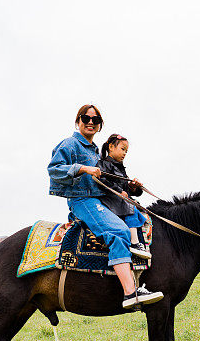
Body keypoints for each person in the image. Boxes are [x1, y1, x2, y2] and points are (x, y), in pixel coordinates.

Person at [47, 104, 163, 309]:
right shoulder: (70, 144)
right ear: (78, 121)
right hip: (83, 200)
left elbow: (112, 184)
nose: (90, 122)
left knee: (136, 214)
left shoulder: (95, 153)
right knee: (118, 230)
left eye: (96, 120)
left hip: (101, 201)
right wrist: (83, 168)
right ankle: (130, 293)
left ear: (100, 126)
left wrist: (131, 188)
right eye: (86, 118)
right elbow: (54, 169)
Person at [97, 134, 151, 259]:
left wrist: (133, 187)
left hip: (118, 199)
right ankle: (135, 243)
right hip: (109, 200)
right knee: (130, 207)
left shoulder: (120, 168)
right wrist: (119, 190)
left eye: (126, 151)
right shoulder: (103, 164)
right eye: (122, 149)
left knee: (137, 208)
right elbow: (102, 181)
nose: (125, 153)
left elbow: (126, 190)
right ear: (111, 147)